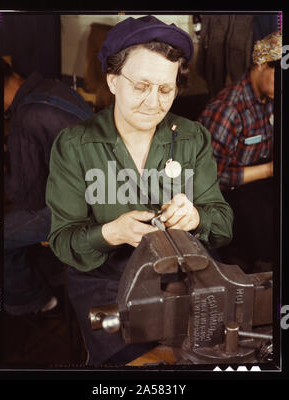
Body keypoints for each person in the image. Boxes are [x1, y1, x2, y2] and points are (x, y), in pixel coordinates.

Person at [46, 15, 233, 366]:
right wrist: (110, 232)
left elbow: (222, 225)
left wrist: (195, 217)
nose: (153, 103)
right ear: (113, 80)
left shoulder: (192, 138)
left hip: (183, 271)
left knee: (214, 352)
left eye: (166, 89)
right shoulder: (75, 145)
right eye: (141, 86)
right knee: (140, 362)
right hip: (105, 278)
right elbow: (62, 242)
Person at [0, 57, 93, 316]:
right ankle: (52, 277)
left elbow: (28, 197)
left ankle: (35, 300)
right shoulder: (53, 87)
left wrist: (7, 169)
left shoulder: (25, 117)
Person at [198, 31, 281, 272]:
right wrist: (269, 170)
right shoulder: (228, 109)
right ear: (262, 64)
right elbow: (208, 177)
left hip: (259, 183)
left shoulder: (270, 98)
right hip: (227, 194)